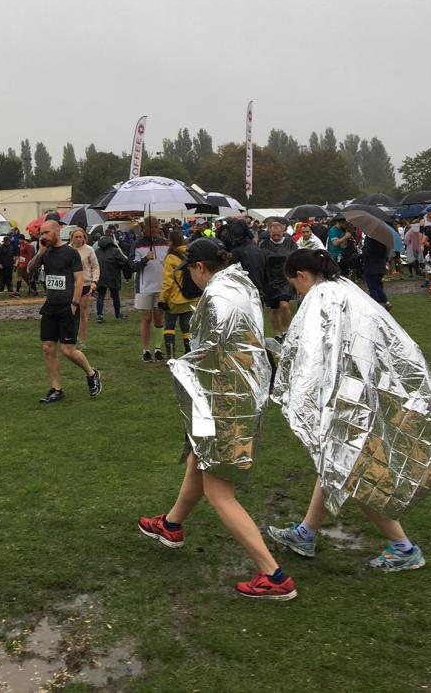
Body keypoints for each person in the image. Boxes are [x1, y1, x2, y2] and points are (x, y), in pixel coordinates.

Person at [267, 248, 431, 572]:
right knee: (334, 464)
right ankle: (306, 533)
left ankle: (403, 547)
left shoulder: (320, 296)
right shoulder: (345, 289)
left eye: (294, 284)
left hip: (346, 397)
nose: (295, 292)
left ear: (301, 275)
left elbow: (315, 352)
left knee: (353, 472)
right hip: (360, 389)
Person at [137, 238, 296, 601]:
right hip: (233, 394)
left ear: (200, 267)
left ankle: (273, 574)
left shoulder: (216, 296)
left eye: (189, 271)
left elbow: (208, 351)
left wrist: (180, 367)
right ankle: (172, 525)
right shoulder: (240, 285)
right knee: (198, 454)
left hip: (225, 400)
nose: (188, 278)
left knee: (219, 491)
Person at [31, 219, 101, 404]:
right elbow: (29, 269)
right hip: (50, 306)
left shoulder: (70, 253)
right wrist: (40, 252)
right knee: (47, 347)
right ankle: (56, 389)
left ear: (56, 231)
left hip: (68, 306)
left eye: (46, 233)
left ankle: (92, 373)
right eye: (41, 234)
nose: (43, 236)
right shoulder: (45, 252)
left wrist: (74, 304)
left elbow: (79, 281)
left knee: (68, 351)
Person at [132, 217, 170, 363]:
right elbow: (132, 265)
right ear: (145, 228)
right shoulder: (137, 244)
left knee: (159, 318)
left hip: (161, 287)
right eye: (152, 227)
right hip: (144, 287)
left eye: (157, 226)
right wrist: (145, 259)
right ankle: (146, 350)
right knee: (146, 319)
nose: (155, 229)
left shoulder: (164, 242)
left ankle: (158, 349)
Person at [157, 224, 196, 357]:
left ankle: (171, 356)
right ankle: (189, 352)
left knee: (169, 326)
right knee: (186, 326)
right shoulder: (190, 253)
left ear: (171, 242)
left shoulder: (171, 257)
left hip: (174, 298)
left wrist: (163, 298)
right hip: (190, 297)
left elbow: (168, 280)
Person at [257, 218, 296, 338]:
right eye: (273, 235)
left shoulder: (290, 242)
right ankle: (277, 334)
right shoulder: (264, 244)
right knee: (274, 309)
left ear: (283, 231)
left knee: (285, 305)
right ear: (269, 233)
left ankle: (286, 331)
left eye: (278, 234)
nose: (276, 237)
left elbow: (295, 258)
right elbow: (261, 261)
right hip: (270, 279)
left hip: (285, 278)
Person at [69, 227, 99, 347]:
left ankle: (83, 340)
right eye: (76, 237)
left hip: (85, 285)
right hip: (71, 285)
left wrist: (94, 281)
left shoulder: (89, 250)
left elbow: (95, 266)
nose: (78, 239)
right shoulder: (68, 249)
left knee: (83, 313)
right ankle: (71, 337)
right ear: (72, 238)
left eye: (81, 236)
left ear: (84, 238)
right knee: (71, 312)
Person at [94, 229, 128, 322]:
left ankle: (100, 316)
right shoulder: (115, 251)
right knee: (115, 296)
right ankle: (118, 315)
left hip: (100, 276)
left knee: (100, 296)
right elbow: (123, 261)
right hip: (113, 276)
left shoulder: (97, 251)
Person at [360, 236, 392, 310]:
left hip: (371, 266)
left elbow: (367, 252)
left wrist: (362, 251)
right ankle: (386, 302)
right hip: (381, 265)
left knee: (372, 287)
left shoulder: (369, 239)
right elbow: (386, 253)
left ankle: (376, 306)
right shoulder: (383, 239)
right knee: (378, 285)